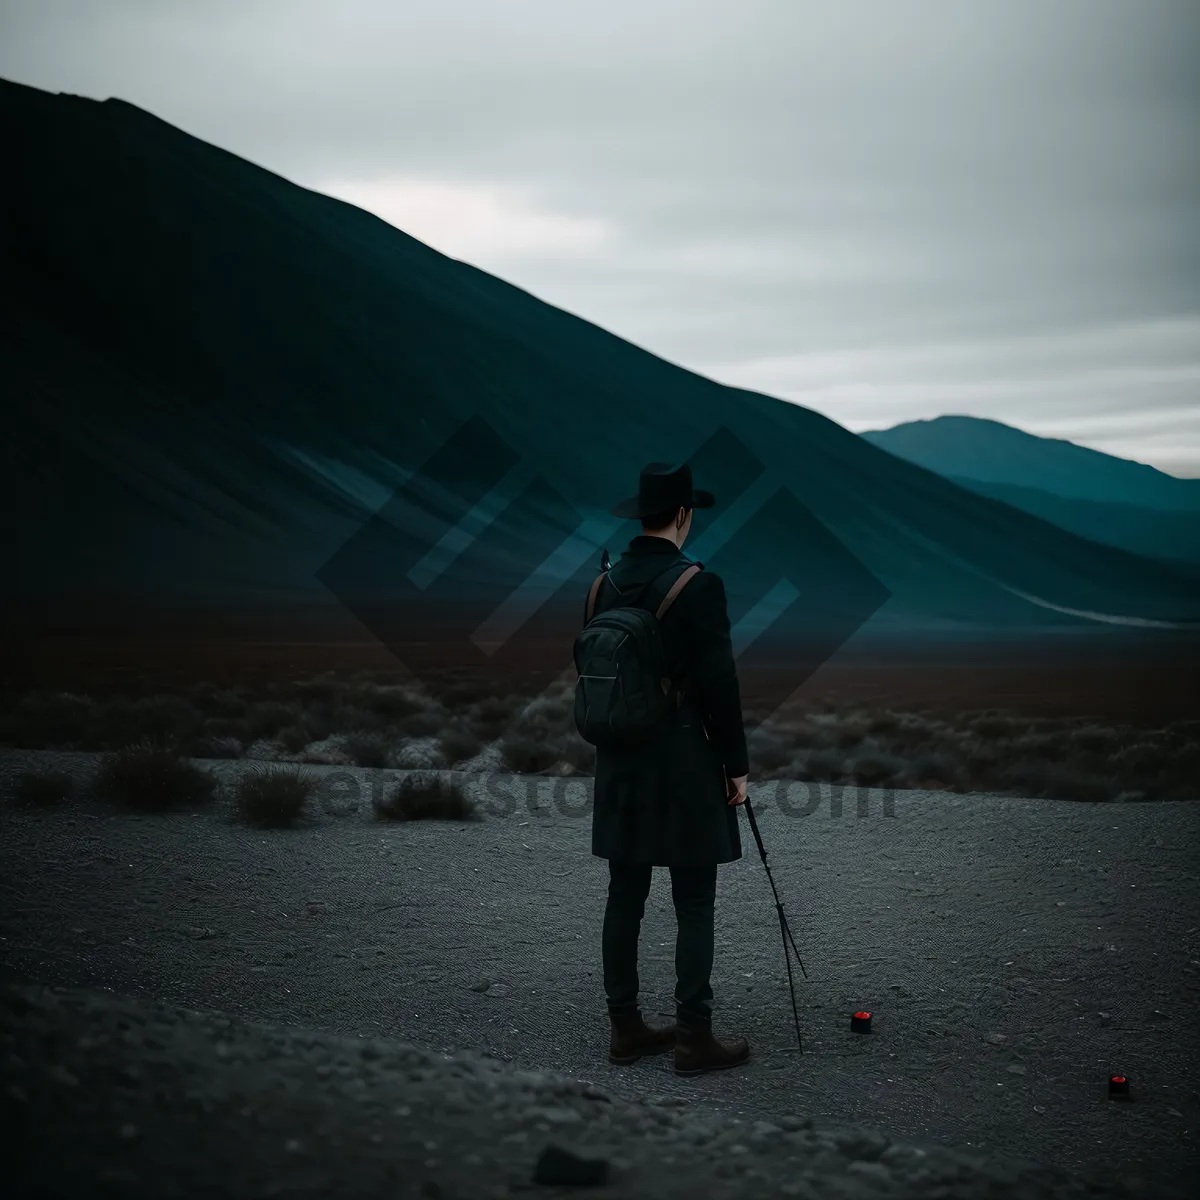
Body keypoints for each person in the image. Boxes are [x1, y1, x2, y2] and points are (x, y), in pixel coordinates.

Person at [587, 461, 751, 1076]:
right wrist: (736, 765)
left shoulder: (600, 585)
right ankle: (692, 1036)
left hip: (619, 759)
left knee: (624, 891)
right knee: (694, 899)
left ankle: (625, 1028)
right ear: (684, 515)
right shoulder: (697, 585)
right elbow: (720, 684)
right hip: (683, 759)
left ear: (641, 515)